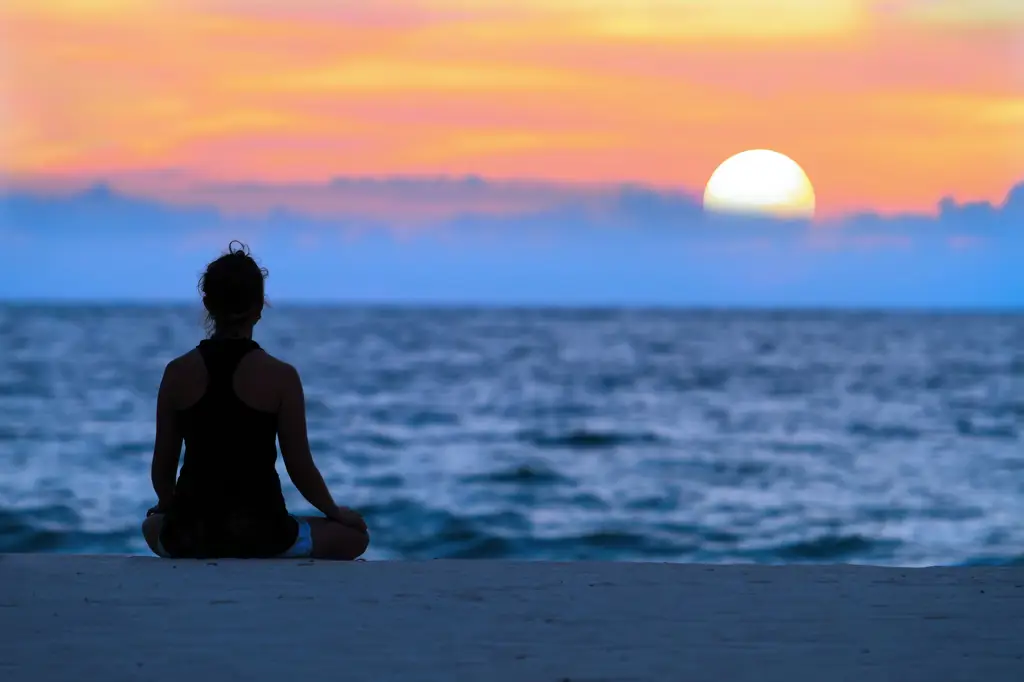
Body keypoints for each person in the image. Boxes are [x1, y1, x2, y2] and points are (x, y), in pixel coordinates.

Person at [141, 241, 369, 560]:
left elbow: (162, 467)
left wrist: (168, 505)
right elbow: (299, 467)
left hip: (192, 535)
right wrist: (334, 511)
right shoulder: (281, 377)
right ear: (260, 306)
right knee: (354, 537)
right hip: (264, 535)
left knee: (151, 527)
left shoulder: (177, 372)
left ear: (207, 303)